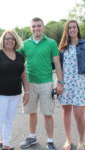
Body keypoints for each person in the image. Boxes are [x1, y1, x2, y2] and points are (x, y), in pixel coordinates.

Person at [18, 17, 63, 150]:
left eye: (38, 26)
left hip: (46, 83)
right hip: (30, 84)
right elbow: (13, 58)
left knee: (48, 114)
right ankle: (32, 137)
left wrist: (59, 83)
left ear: (43, 27)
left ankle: (50, 141)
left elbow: (57, 64)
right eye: (33, 26)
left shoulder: (51, 43)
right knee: (32, 112)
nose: (36, 28)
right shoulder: (24, 44)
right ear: (30, 28)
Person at [0, 30, 29, 150]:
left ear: (16, 41)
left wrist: (26, 92)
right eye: (7, 38)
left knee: (9, 121)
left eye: (12, 38)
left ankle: (6, 144)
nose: (9, 41)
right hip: (0, 95)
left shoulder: (20, 56)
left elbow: (23, 75)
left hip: (15, 94)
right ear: (3, 40)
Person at [59, 20, 85, 150]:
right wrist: (59, 83)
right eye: (70, 28)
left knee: (79, 115)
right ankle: (68, 140)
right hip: (66, 83)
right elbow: (58, 66)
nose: (72, 30)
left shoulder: (84, 45)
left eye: (74, 27)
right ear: (67, 30)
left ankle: (81, 140)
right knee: (66, 111)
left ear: (77, 29)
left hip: (80, 83)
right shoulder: (63, 48)